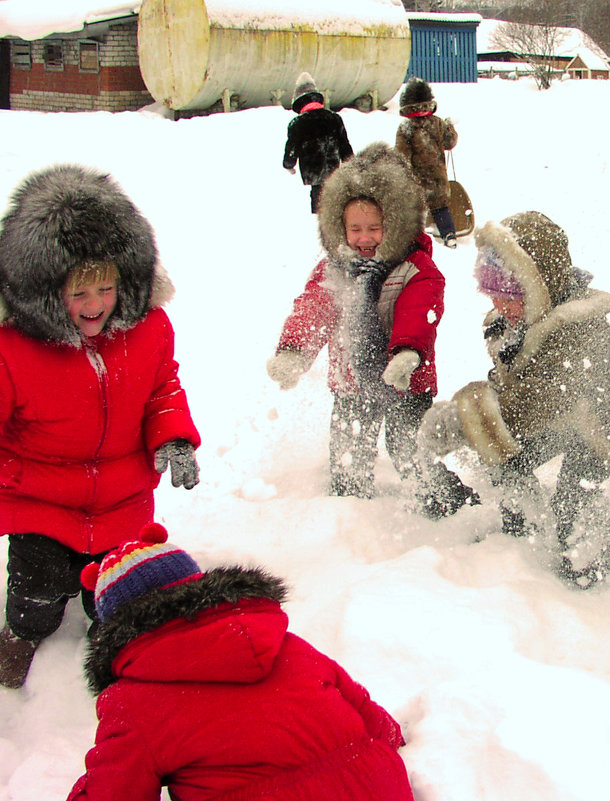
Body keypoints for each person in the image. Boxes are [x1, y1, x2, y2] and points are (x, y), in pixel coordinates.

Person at [0, 164, 200, 690]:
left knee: (115, 602)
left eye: (106, 290)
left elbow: (163, 389)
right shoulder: (14, 348)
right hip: (41, 501)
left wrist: (173, 435)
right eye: (78, 295)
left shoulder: (147, 330)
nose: (95, 306)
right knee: (36, 592)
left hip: (121, 501)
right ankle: (21, 635)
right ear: (45, 293)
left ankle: (122, 657)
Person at [67, 523, 414, 801]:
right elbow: (373, 719)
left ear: (115, 628)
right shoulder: (285, 643)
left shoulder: (132, 702)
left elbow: (112, 790)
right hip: (377, 788)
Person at [417, 211, 610, 588]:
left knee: (576, 490)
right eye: (494, 296)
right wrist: (486, 413)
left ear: (539, 285)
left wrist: (466, 418)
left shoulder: (573, 330)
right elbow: (512, 382)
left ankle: (588, 563)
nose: (503, 307)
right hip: (564, 413)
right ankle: (522, 526)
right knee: (505, 458)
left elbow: (532, 404)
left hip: (609, 424)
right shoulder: (516, 322)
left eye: (512, 297)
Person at [267, 141, 477, 518]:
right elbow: (313, 309)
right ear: (338, 227)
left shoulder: (414, 268)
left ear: (394, 225)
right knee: (349, 451)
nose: (364, 238)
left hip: (404, 382)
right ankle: (349, 513)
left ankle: (448, 505)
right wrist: (294, 352)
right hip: (352, 383)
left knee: (410, 450)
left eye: (375, 228)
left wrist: (407, 353)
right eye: (355, 229)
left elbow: (420, 310)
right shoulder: (334, 269)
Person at [395, 77, 459, 248]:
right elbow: (449, 142)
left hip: (416, 181)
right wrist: (450, 127)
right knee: (441, 208)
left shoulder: (406, 127)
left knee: (416, 211)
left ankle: (416, 239)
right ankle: (449, 234)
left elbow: (402, 156)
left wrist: (400, 174)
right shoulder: (437, 122)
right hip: (438, 178)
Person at [283, 72, 354, 214]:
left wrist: (289, 165)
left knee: (318, 207)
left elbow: (292, 149)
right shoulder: (334, 119)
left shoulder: (297, 123)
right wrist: (350, 164)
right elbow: (345, 146)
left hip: (313, 174)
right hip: (334, 172)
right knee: (335, 204)